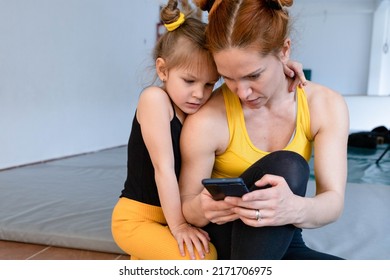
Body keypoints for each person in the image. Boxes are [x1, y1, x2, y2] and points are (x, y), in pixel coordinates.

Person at [179, 0, 349, 260]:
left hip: (284, 238)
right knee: (288, 165)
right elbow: (188, 206)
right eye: (229, 77)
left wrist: (294, 208)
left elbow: (333, 202)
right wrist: (202, 208)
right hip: (225, 240)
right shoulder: (208, 119)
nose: (242, 92)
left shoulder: (325, 105)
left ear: (284, 51)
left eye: (254, 75)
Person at [111, 0, 220, 260]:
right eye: (189, 81)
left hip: (170, 218)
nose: (199, 94)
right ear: (163, 69)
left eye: (209, 84)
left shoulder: (195, 109)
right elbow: (163, 170)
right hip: (136, 219)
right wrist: (180, 226)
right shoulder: (155, 100)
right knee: (204, 259)